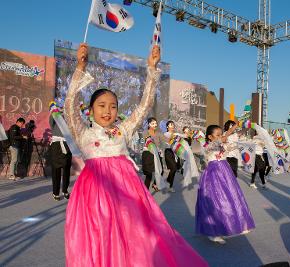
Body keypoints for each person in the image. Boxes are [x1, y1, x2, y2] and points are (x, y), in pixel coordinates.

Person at [64, 43, 208, 267]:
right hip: (95, 195)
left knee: (135, 236)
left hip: (127, 193)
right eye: (101, 105)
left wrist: (152, 69)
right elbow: (69, 106)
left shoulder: (123, 129)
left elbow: (144, 105)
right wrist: (80, 67)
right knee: (101, 238)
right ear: (90, 110)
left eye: (113, 106)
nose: (107, 111)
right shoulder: (82, 131)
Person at [195, 124, 255, 244]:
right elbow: (217, 143)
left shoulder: (222, 144)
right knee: (216, 201)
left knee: (231, 198)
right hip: (213, 174)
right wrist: (229, 131)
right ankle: (213, 232)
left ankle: (235, 225)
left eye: (221, 134)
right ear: (210, 137)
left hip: (225, 173)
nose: (221, 137)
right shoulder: (207, 146)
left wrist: (242, 128)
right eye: (217, 135)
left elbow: (231, 140)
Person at [49, 113, 72, 201]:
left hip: (67, 145)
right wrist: (55, 110)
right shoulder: (55, 119)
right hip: (56, 146)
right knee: (56, 171)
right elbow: (51, 117)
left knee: (66, 170)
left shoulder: (69, 119)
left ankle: (65, 190)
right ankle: (55, 192)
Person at [142, 117, 165, 192]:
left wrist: (174, 138)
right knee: (149, 174)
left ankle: (155, 184)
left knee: (160, 170)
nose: (155, 125)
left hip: (157, 154)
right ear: (149, 124)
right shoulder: (146, 132)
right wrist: (154, 147)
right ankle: (146, 192)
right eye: (153, 123)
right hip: (148, 154)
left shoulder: (158, 133)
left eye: (155, 123)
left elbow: (165, 139)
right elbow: (148, 140)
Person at [163, 120, 181, 192]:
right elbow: (167, 142)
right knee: (173, 168)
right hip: (168, 152)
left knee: (174, 169)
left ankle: (168, 183)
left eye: (173, 124)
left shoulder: (175, 135)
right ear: (167, 126)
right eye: (171, 124)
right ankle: (169, 185)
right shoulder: (166, 134)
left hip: (174, 153)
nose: (172, 125)